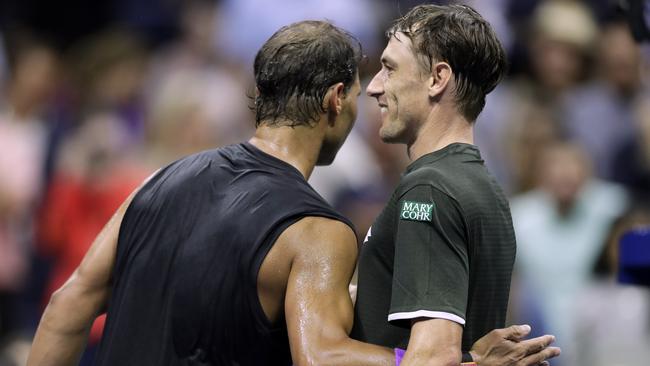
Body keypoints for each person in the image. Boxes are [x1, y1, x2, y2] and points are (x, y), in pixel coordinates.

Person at [28, 20, 558, 366]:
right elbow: (322, 356)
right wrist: (456, 363)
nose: (371, 93)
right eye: (358, 88)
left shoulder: (154, 182)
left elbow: (66, 305)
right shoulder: (317, 233)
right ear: (334, 100)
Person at [350, 4, 553, 365]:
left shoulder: (428, 190)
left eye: (389, 68)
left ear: (437, 78)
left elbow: (432, 356)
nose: (374, 88)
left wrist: (472, 361)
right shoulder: (482, 184)